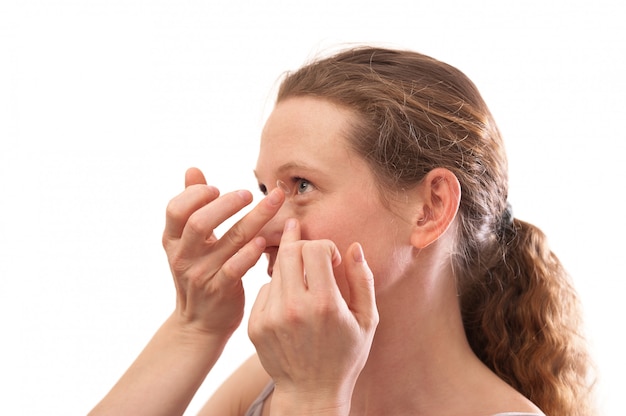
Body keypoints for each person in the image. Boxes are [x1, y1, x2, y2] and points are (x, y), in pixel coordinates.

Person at [89, 46, 596, 416]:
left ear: (429, 209)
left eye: (301, 184)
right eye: (265, 189)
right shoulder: (266, 382)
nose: (260, 229)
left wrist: (313, 401)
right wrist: (194, 326)